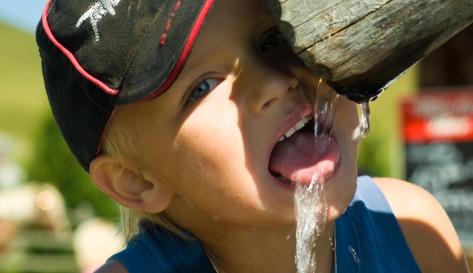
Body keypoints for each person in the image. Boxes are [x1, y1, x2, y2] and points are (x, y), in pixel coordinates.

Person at [36, 0, 470, 272]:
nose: (272, 83)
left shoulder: (414, 229)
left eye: (271, 39)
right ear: (137, 180)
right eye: (202, 87)